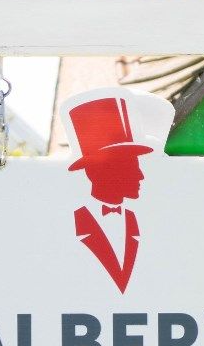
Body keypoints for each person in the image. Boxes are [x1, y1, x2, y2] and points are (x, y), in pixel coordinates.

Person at [66, 95, 155, 292]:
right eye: (131, 167)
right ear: (99, 171)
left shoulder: (138, 222)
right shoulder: (70, 222)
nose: (141, 176)